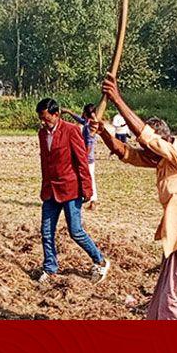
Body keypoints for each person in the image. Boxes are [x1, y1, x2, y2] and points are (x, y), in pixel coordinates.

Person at [95, 76, 177, 320]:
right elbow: (127, 154)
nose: (147, 156)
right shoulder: (161, 161)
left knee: (175, 299)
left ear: (162, 144)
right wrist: (103, 132)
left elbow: (145, 136)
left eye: (151, 150)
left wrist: (117, 98)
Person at [35, 97, 110, 284]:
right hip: (50, 190)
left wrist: (87, 188)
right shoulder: (42, 134)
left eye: (46, 118)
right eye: (41, 119)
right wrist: (44, 186)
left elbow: (82, 161)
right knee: (46, 232)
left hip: (70, 189)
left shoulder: (71, 131)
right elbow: (46, 162)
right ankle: (50, 268)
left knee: (75, 231)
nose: (43, 122)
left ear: (56, 114)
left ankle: (99, 260)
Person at [63, 103, 98, 210]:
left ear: (85, 113)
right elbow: (80, 120)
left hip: (87, 157)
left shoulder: (89, 127)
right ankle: (89, 199)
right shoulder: (88, 123)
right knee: (88, 177)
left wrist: (84, 158)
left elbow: (89, 144)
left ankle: (93, 200)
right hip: (87, 157)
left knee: (89, 178)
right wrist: (69, 112)